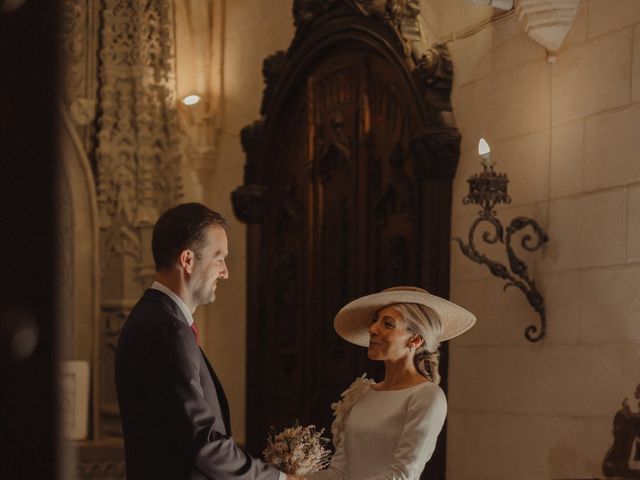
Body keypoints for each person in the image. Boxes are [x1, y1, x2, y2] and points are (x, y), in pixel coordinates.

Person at [115, 203, 294, 480]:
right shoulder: (167, 328)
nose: (225, 272)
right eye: (219, 258)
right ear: (187, 260)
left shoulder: (156, 318)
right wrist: (278, 479)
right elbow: (201, 441)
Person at [307, 286, 476, 480]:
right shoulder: (362, 392)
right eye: (375, 321)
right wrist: (288, 478)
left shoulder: (427, 396)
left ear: (416, 340)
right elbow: (340, 472)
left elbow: (402, 475)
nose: (372, 329)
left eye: (387, 324)